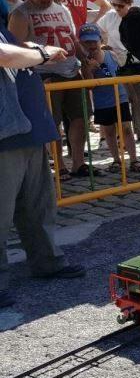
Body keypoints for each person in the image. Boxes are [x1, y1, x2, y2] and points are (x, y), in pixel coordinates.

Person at [0, 29, 86, 308]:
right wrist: (41, 53)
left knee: (38, 205)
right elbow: (3, 55)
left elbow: (12, 52)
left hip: (26, 129)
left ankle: (47, 261)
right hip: (6, 134)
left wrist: (33, 52)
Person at [8, 0, 90, 180]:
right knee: (53, 123)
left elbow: (72, 37)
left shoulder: (63, 9)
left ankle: (78, 163)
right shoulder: (21, 13)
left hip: (71, 71)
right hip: (43, 74)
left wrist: (85, 61)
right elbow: (15, 46)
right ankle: (59, 165)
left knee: (80, 118)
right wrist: (42, 55)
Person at [78, 23, 140, 174]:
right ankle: (116, 159)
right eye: (87, 42)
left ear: (100, 40)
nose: (91, 45)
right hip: (102, 102)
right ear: (81, 43)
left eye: (94, 41)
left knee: (127, 128)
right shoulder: (85, 63)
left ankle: (134, 159)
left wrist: (131, 94)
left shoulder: (110, 55)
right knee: (109, 131)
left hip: (120, 97)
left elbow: (120, 75)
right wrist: (89, 70)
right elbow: (89, 86)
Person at [95, 0, 140, 142]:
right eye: (114, 4)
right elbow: (96, 30)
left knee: (139, 99)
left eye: (121, 5)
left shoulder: (137, 15)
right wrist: (102, 46)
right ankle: (125, 132)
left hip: (137, 62)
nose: (117, 8)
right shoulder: (110, 17)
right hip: (118, 63)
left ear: (129, 3)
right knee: (125, 97)